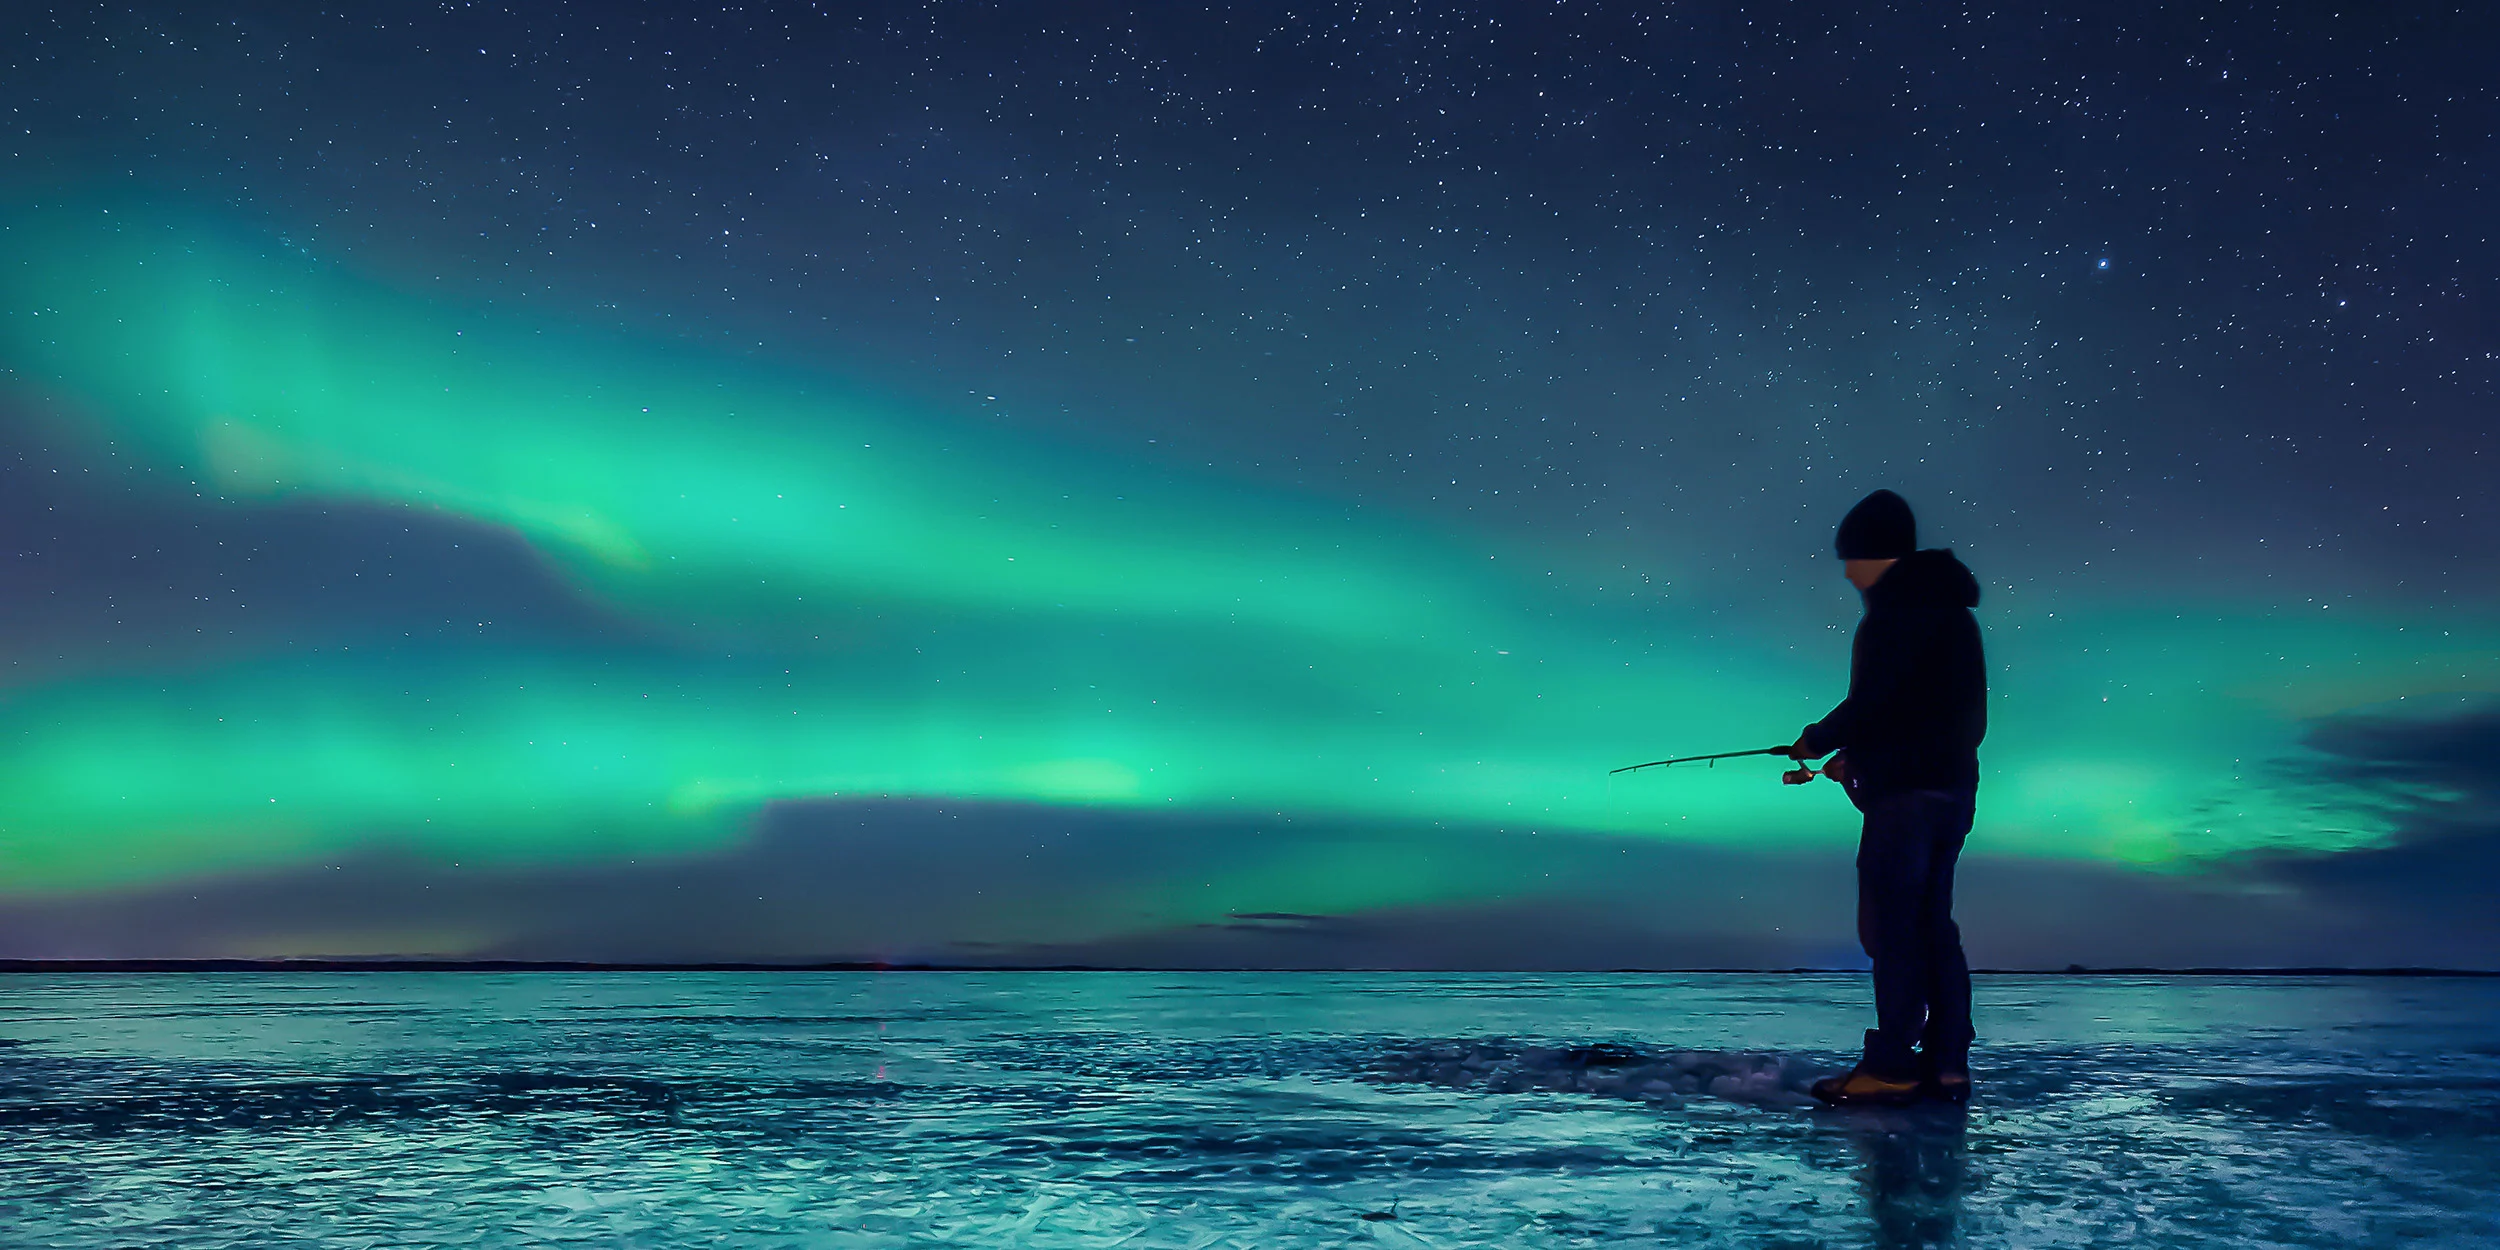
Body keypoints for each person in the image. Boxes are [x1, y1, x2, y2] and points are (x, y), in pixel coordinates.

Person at [1789, 489, 1986, 1106]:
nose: (1847, 572)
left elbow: (1875, 703)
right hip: (1952, 789)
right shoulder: (1954, 614)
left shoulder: (1894, 612)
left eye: (1853, 558)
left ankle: (1893, 1067)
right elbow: (1927, 713)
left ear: (1877, 555)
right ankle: (1948, 1064)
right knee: (1933, 925)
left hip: (1906, 799)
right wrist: (1860, 757)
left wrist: (1818, 740)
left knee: (1893, 928)